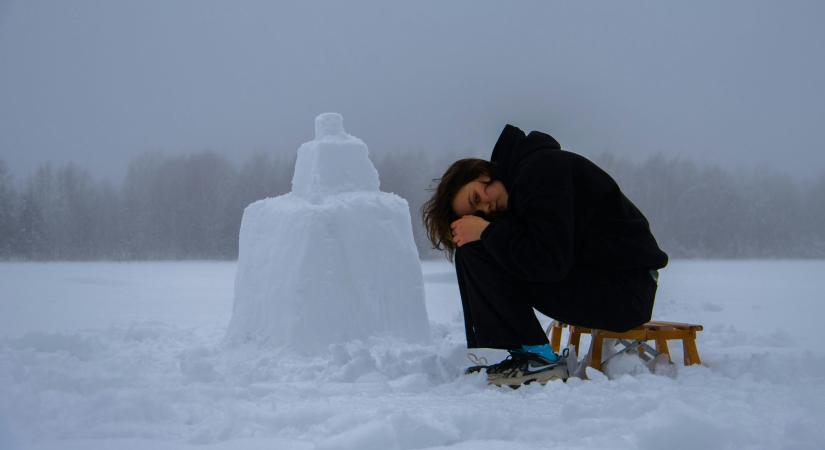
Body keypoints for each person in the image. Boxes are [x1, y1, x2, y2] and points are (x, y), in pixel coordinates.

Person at [422, 124, 668, 386]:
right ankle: (502, 355)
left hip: (625, 291)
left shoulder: (540, 170)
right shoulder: (523, 183)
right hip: (607, 282)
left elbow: (549, 262)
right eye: (478, 213)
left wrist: (486, 233)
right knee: (474, 249)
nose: (486, 207)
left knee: (480, 248)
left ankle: (531, 359)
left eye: (476, 197)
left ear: (483, 173)